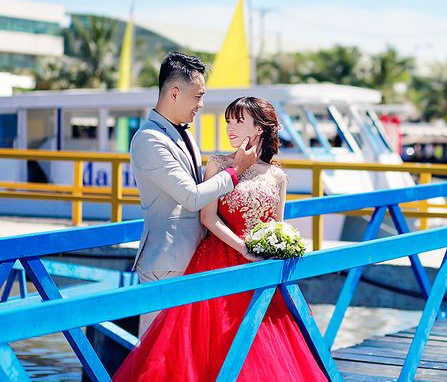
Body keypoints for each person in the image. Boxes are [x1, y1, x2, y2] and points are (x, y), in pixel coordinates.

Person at [114, 96, 327, 382]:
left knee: (261, 345)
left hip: (260, 269)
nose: (230, 128)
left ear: (259, 128)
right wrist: (243, 248)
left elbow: (277, 224)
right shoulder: (217, 163)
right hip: (219, 259)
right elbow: (207, 217)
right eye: (228, 121)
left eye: (238, 121)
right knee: (207, 344)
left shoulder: (277, 175)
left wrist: (279, 246)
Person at [130, 52, 259, 334]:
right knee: (157, 351)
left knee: (184, 350)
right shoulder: (148, 139)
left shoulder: (183, 133)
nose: (201, 104)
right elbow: (192, 196)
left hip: (193, 258)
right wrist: (236, 170)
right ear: (175, 93)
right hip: (166, 263)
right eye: (198, 96)